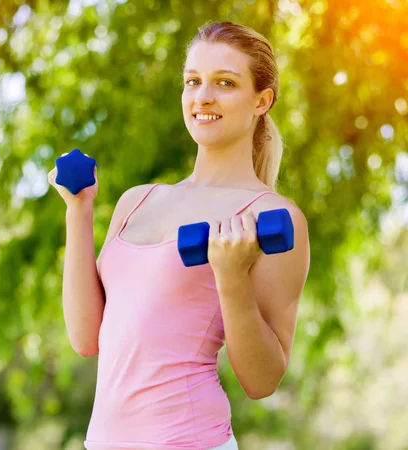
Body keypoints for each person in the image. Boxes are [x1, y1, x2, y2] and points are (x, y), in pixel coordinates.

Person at [48, 20, 310, 450]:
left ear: (262, 100)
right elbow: (86, 337)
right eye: (193, 81)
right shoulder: (137, 201)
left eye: (225, 82)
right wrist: (79, 211)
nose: (203, 96)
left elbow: (262, 380)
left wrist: (231, 278)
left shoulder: (271, 216)